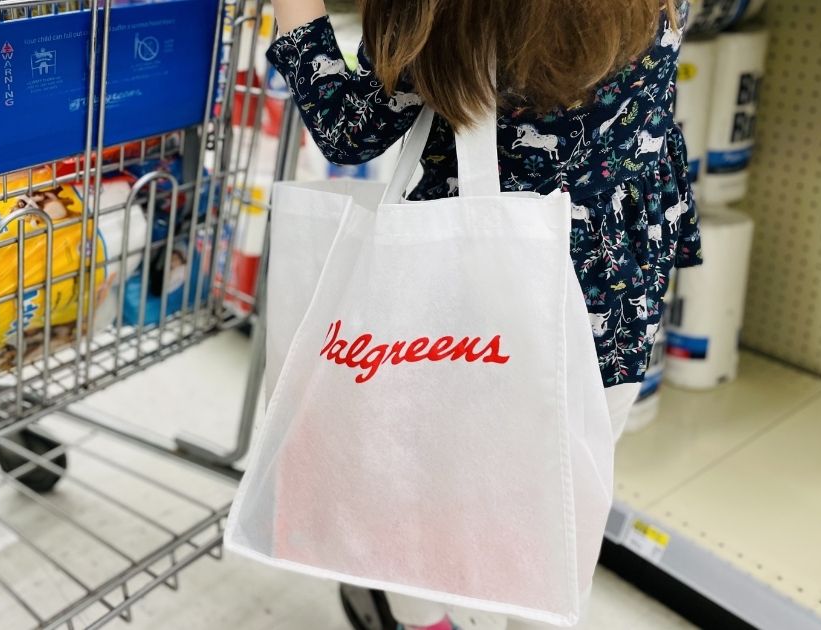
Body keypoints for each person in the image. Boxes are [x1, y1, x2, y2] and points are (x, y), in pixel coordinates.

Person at [267, 0, 702, 628]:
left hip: (465, 306)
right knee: (553, 501)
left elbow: (351, 126)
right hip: (614, 291)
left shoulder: (452, 13)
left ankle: (428, 617)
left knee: (421, 496)